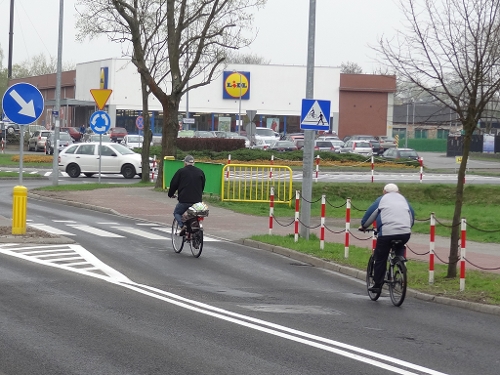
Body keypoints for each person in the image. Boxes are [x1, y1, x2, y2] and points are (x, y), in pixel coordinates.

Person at [359, 183, 415, 293]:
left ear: (384, 192)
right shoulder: (404, 200)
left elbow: (371, 214)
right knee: (400, 245)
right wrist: (407, 227)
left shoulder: (382, 199)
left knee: (380, 257)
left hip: (387, 233)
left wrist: (364, 225)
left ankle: (377, 284)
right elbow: (411, 216)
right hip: (405, 233)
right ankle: (400, 265)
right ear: (398, 192)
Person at [167, 155, 206, 236]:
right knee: (195, 216)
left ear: (185, 163)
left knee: (177, 213)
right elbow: (202, 185)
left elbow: (174, 184)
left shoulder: (181, 171)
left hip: (184, 200)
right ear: (193, 163)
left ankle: (183, 226)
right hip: (197, 201)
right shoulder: (200, 172)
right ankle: (196, 234)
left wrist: (170, 194)